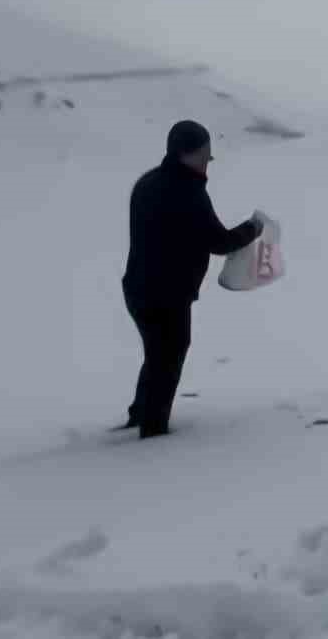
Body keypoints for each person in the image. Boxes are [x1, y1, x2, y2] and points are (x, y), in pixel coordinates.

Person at [119, 120, 262, 438]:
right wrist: (253, 229)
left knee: (157, 355)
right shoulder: (187, 192)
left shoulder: (148, 182)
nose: (207, 162)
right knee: (168, 359)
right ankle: (152, 432)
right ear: (185, 154)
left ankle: (139, 414)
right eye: (204, 155)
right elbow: (219, 242)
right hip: (167, 295)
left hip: (137, 289)